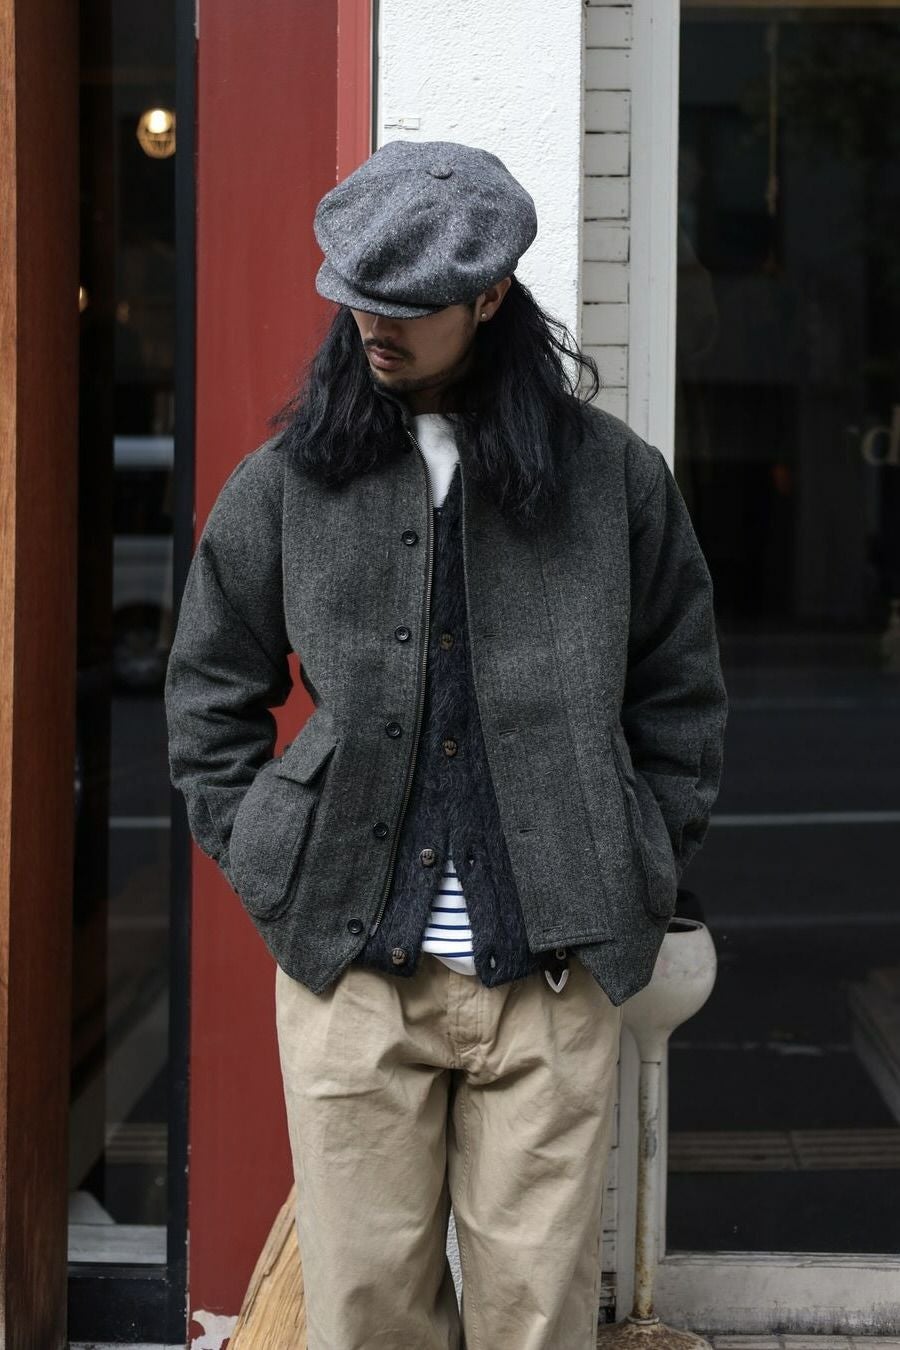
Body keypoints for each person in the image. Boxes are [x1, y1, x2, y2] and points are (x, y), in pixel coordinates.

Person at [164, 138, 728, 1350]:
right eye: (359, 297)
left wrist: (634, 854)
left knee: (538, 1320)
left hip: (552, 974)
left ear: (488, 296)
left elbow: (681, 696)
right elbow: (209, 693)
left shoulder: (613, 482)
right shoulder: (287, 484)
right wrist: (269, 855)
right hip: (353, 975)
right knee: (367, 1318)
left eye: (410, 304)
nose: (376, 324)